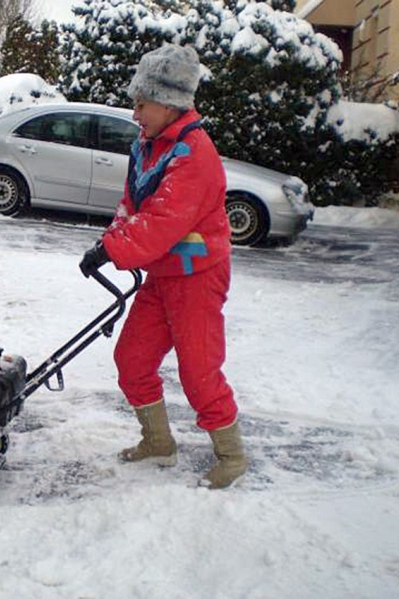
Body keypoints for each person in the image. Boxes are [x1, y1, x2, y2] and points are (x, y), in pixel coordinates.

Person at [79, 44, 247, 489]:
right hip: (163, 274)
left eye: (141, 103)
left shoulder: (194, 153)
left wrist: (113, 250)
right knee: (131, 359)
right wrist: (109, 239)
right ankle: (158, 442)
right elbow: (132, 206)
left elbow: (164, 220)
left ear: (169, 102)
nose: (134, 113)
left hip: (198, 276)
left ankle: (231, 455)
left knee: (199, 372)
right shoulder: (149, 147)